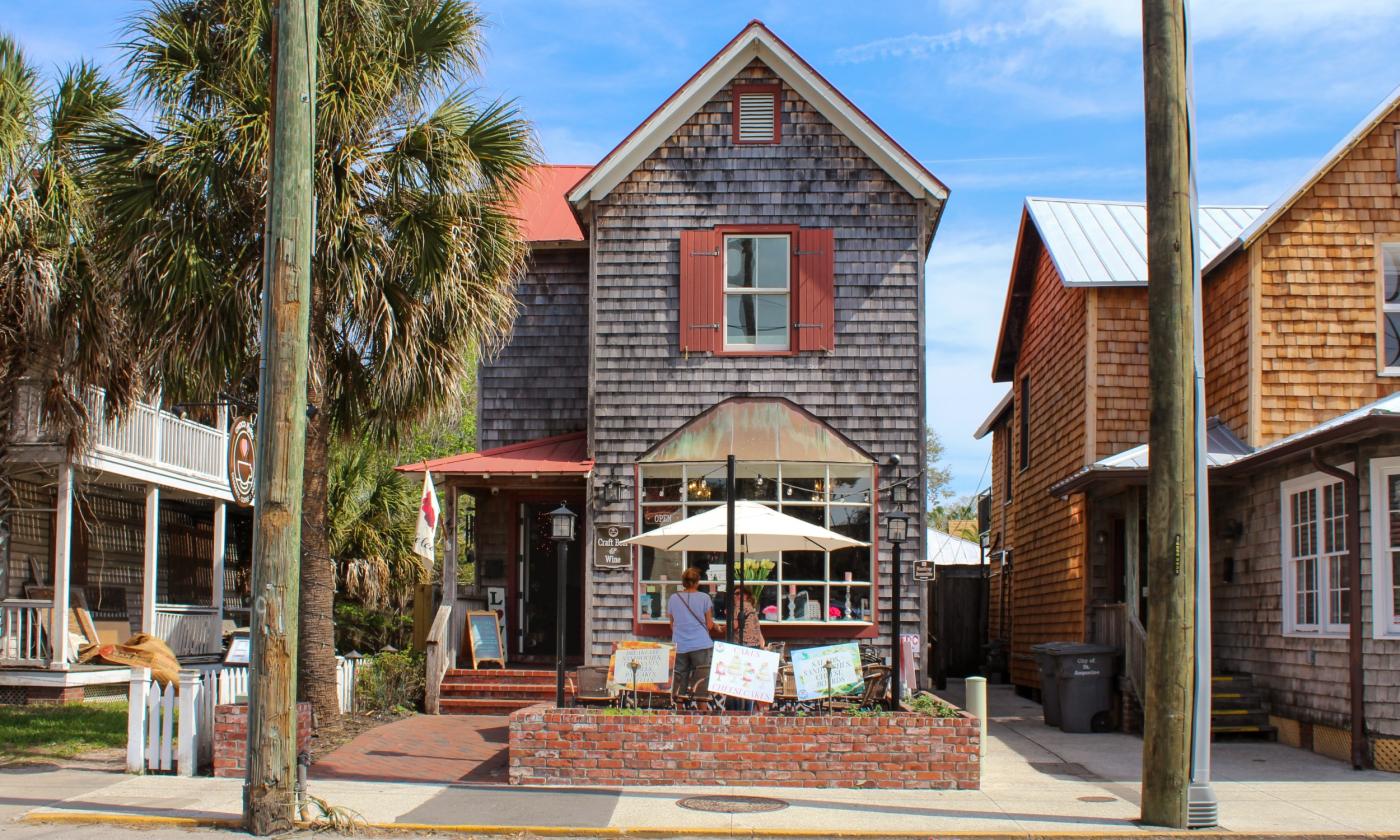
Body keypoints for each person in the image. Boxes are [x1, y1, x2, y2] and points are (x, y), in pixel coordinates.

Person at [669, 567, 716, 700]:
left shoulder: (674, 598)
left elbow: (672, 624)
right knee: (701, 679)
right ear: (697, 582)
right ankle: (702, 710)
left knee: (679, 678)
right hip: (701, 644)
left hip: (680, 644)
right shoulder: (704, 598)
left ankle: (679, 710)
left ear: (683, 581)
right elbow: (709, 624)